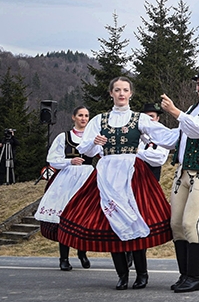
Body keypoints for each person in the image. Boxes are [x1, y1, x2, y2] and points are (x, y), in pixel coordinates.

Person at [57, 77, 173, 290]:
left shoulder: (140, 119)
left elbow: (167, 137)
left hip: (133, 173)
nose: (121, 94)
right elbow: (85, 149)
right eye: (117, 90)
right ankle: (122, 274)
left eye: (125, 90)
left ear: (131, 94)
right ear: (111, 93)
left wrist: (186, 123)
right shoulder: (99, 120)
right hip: (106, 174)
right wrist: (94, 142)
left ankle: (142, 273)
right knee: (111, 224)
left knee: (136, 220)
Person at [149, 66, 199, 293]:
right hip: (183, 172)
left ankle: (195, 277)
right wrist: (145, 128)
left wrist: (175, 111)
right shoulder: (192, 110)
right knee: (175, 224)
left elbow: (198, 130)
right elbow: (175, 137)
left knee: (189, 223)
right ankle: (184, 274)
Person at [36, 106, 94, 271]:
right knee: (65, 217)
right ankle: (64, 258)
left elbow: (99, 154)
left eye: (86, 116)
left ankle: (82, 252)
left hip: (87, 177)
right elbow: (52, 159)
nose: (83, 119)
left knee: (84, 217)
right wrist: (70, 161)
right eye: (80, 115)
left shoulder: (92, 136)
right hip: (68, 178)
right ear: (73, 117)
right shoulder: (64, 137)